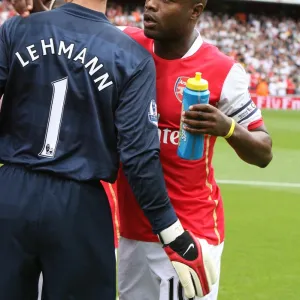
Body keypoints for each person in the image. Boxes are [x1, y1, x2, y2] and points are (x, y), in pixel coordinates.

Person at [12, 0, 273, 299]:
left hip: (188, 230)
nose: (151, 4)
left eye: (166, 0)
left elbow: (263, 151)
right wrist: (36, 12)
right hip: (133, 230)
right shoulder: (125, 42)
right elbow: (73, 35)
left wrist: (227, 127)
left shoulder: (223, 72)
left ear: (195, 10)